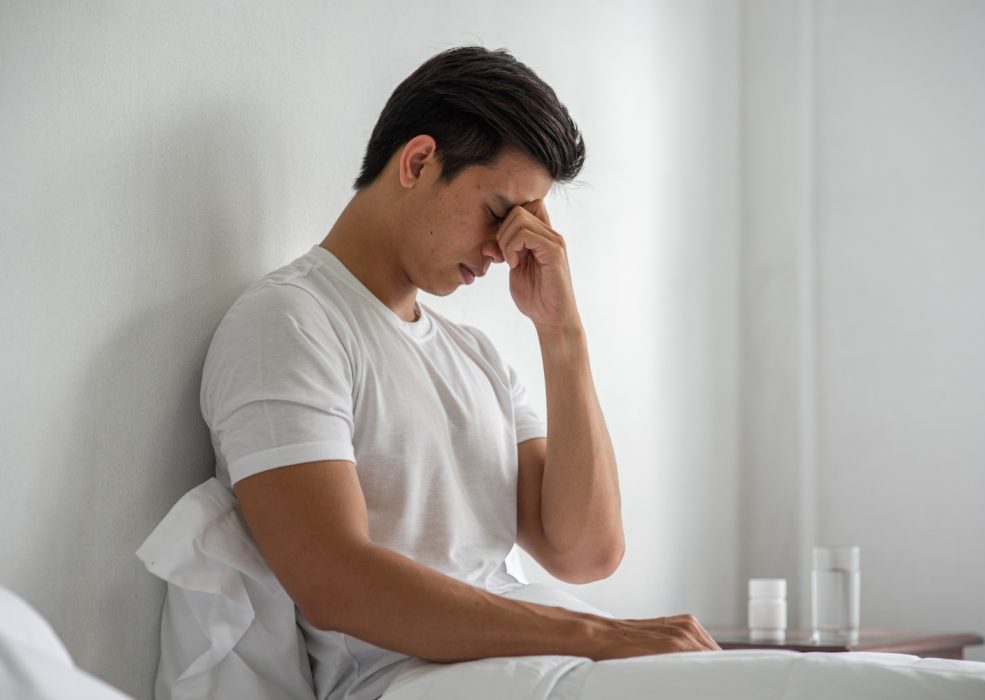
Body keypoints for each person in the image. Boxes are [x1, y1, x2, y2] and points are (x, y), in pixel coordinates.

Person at [200, 45, 720, 700]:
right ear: (419, 162)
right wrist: (594, 635)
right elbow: (332, 579)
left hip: (535, 668)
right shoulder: (290, 322)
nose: (505, 250)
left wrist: (562, 333)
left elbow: (585, 553)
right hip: (414, 681)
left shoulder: (477, 357)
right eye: (500, 212)